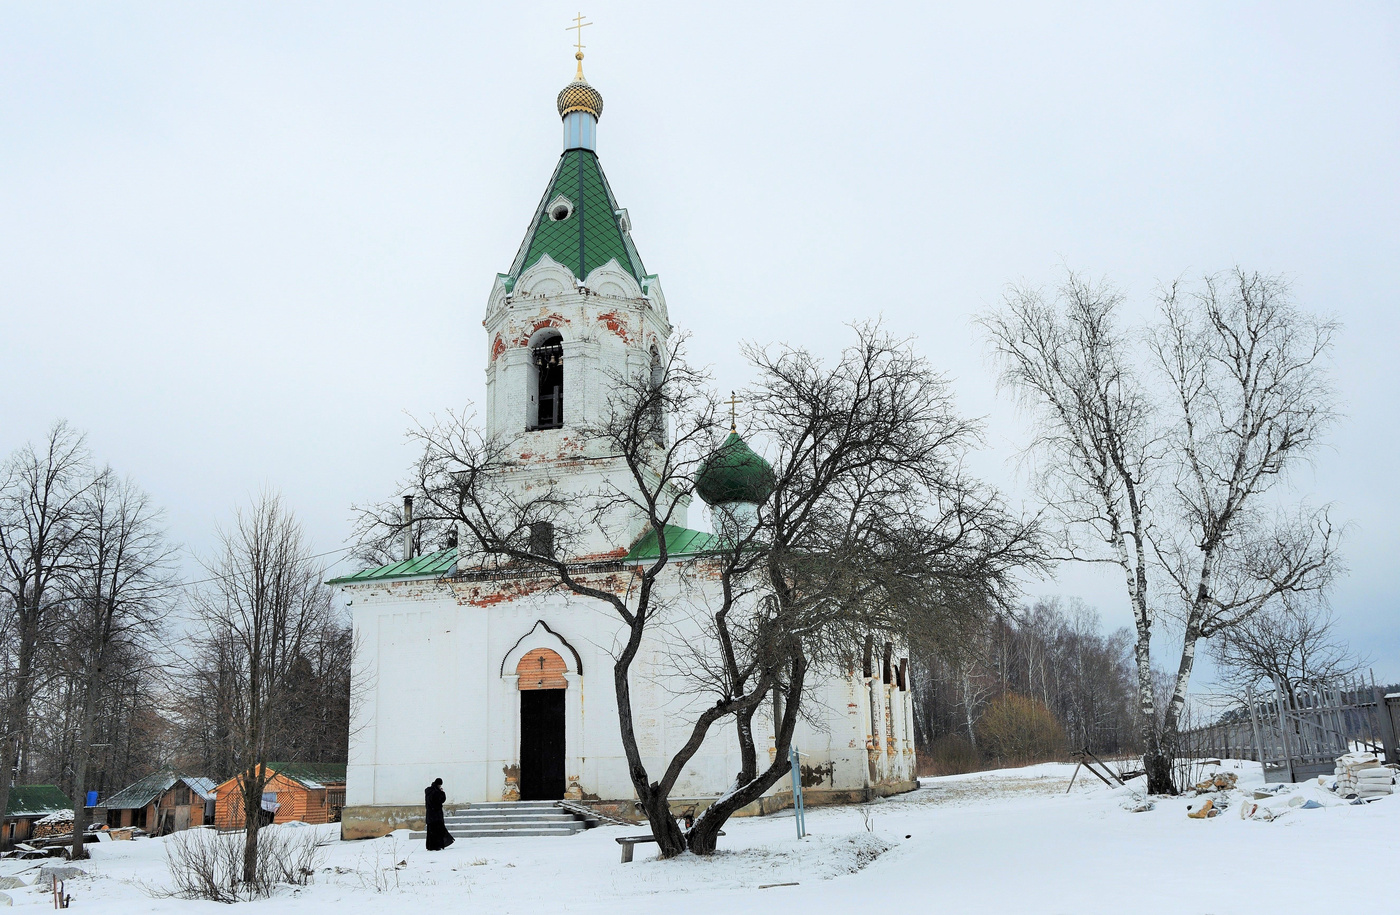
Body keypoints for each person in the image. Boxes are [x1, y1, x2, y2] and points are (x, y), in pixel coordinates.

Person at [424, 778, 454, 850]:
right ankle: (437, 845)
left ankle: (430, 846)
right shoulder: (436, 792)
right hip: (436, 815)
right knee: (438, 831)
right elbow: (441, 800)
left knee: (431, 831)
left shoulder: (429, 791)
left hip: (430, 815)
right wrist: (442, 792)